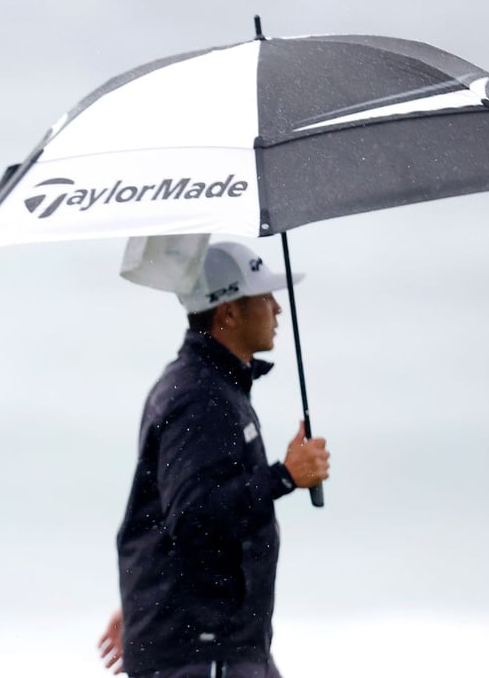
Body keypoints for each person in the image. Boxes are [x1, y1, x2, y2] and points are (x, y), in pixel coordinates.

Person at [102, 241, 331, 677]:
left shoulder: (211, 386)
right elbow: (193, 518)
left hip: (214, 642)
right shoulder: (201, 397)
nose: (278, 309)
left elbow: (167, 515)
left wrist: (146, 601)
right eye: (264, 297)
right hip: (203, 651)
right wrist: (284, 477)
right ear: (228, 313)